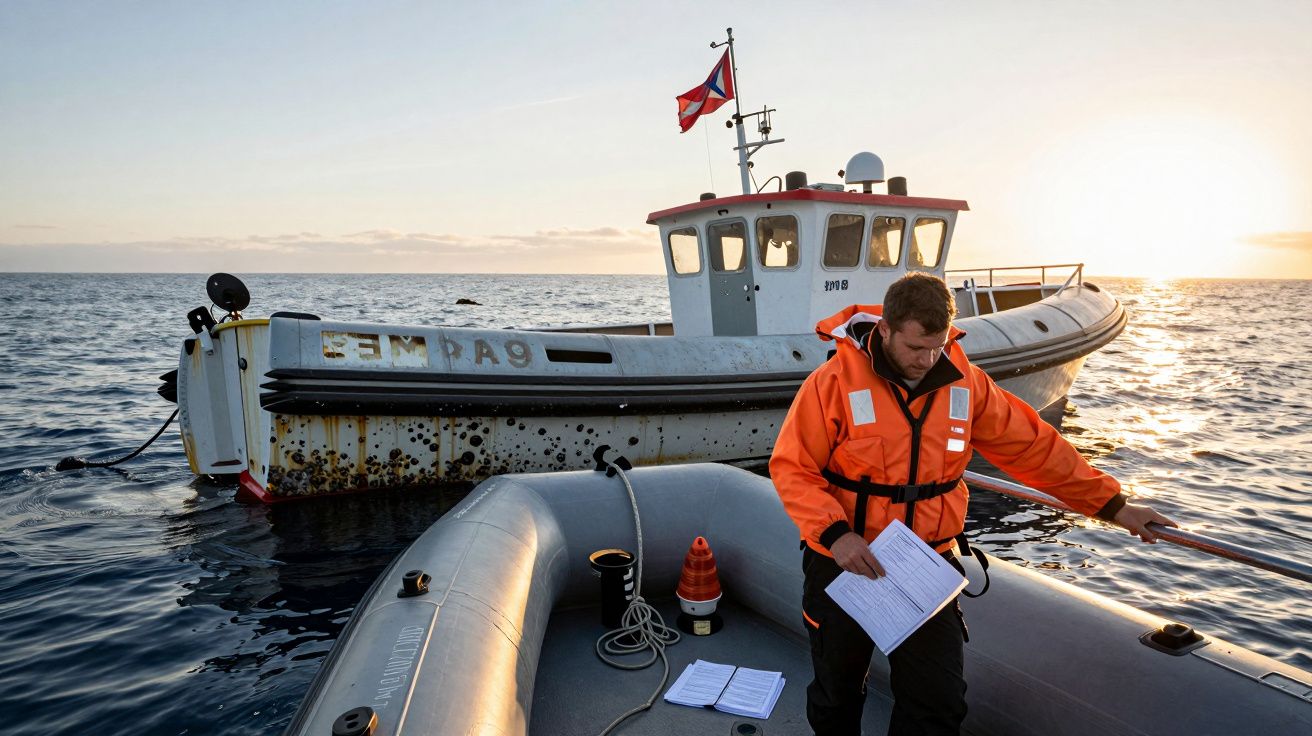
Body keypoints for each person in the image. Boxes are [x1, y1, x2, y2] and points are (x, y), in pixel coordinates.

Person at [769, 272, 1174, 736]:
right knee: (836, 696)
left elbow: (1035, 449)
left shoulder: (967, 385)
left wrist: (1115, 505)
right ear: (884, 330)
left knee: (938, 704)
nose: (926, 360)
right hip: (843, 562)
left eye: (937, 347)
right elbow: (792, 467)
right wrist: (836, 535)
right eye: (915, 347)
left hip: (924, 563)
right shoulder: (832, 383)